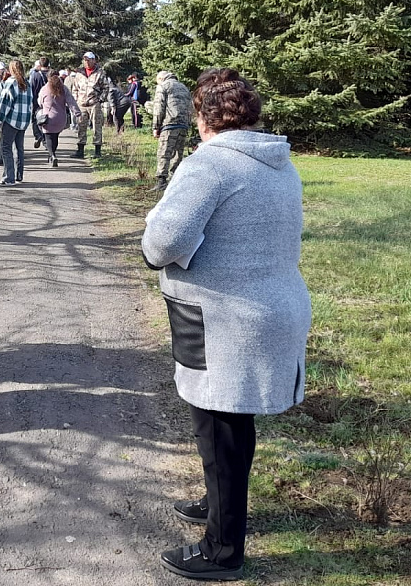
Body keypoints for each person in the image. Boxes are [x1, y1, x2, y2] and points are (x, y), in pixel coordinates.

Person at [141, 68, 311, 581]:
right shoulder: (278, 161)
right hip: (271, 308)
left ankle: (222, 551)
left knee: (220, 428)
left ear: (202, 116)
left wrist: (154, 239)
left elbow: (163, 243)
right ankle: (219, 504)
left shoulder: (210, 164)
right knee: (230, 429)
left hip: (225, 321)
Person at [0, 59, 32, 186]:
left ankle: (9, 177)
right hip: (23, 121)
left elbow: (5, 104)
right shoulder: (27, 84)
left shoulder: (11, 83)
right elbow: (30, 103)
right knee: (19, 148)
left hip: (11, 121)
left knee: (6, 148)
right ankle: (19, 175)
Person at [152, 70, 194, 191]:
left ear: (161, 79)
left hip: (169, 123)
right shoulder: (184, 87)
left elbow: (159, 107)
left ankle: (161, 181)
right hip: (183, 124)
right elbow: (190, 107)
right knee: (177, 154)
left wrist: (156, 127)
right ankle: (174, 181)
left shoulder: (163, 86)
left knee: (164, 152)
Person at [70, 50, 110, 158]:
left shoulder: (99, 73)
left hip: (94, 104)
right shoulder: (79, 74)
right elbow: (75, 88)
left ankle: (97, 151)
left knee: (97, 126)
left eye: (88, 60)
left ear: (93, 60)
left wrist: (100, 100)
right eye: (85, 60)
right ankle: (80, 150)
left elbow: (106, 87)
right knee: (81, 126)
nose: (86, 62)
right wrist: (76, 100)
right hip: (81, 104)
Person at [37, 69, 80, 167]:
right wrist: (77, 113)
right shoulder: (63, 88)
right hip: (61, 119)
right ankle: (52, 155)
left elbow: (40, 102)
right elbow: (71, 102)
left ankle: (52, 155)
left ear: (48, 78)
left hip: (48, 119)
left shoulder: (45, 89)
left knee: (48, 137)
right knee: (55, 137)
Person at [28, 57, 49, 149]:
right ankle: (46, 140)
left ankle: (38, 135)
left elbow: (31, 88)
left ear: (40, 65)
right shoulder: (52, 75)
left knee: (35, 120)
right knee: (47, 121)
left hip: (37, 101)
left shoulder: (35, 75)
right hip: (49, 102)